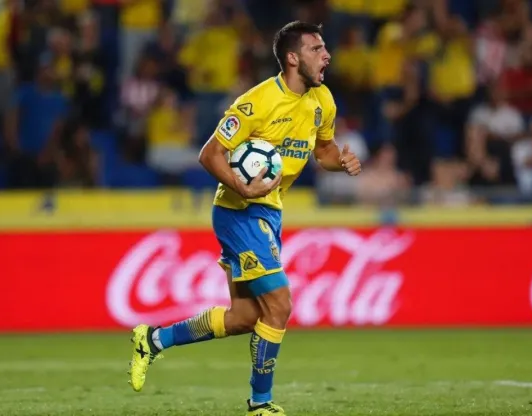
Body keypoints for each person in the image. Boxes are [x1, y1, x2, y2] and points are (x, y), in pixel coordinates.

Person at [127, 21, 362, 415]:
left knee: (244, 318)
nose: (327, 55)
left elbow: (323, 151)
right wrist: (242, 185)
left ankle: (153, 340)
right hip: (238, 211)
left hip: (270, 212)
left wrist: (342, 161)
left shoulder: (323, 101)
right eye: (317, 49)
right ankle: (260, 404)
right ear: (292, 58)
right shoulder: (256, 102)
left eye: (324, 48)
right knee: (280, 304)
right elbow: (210, 153)